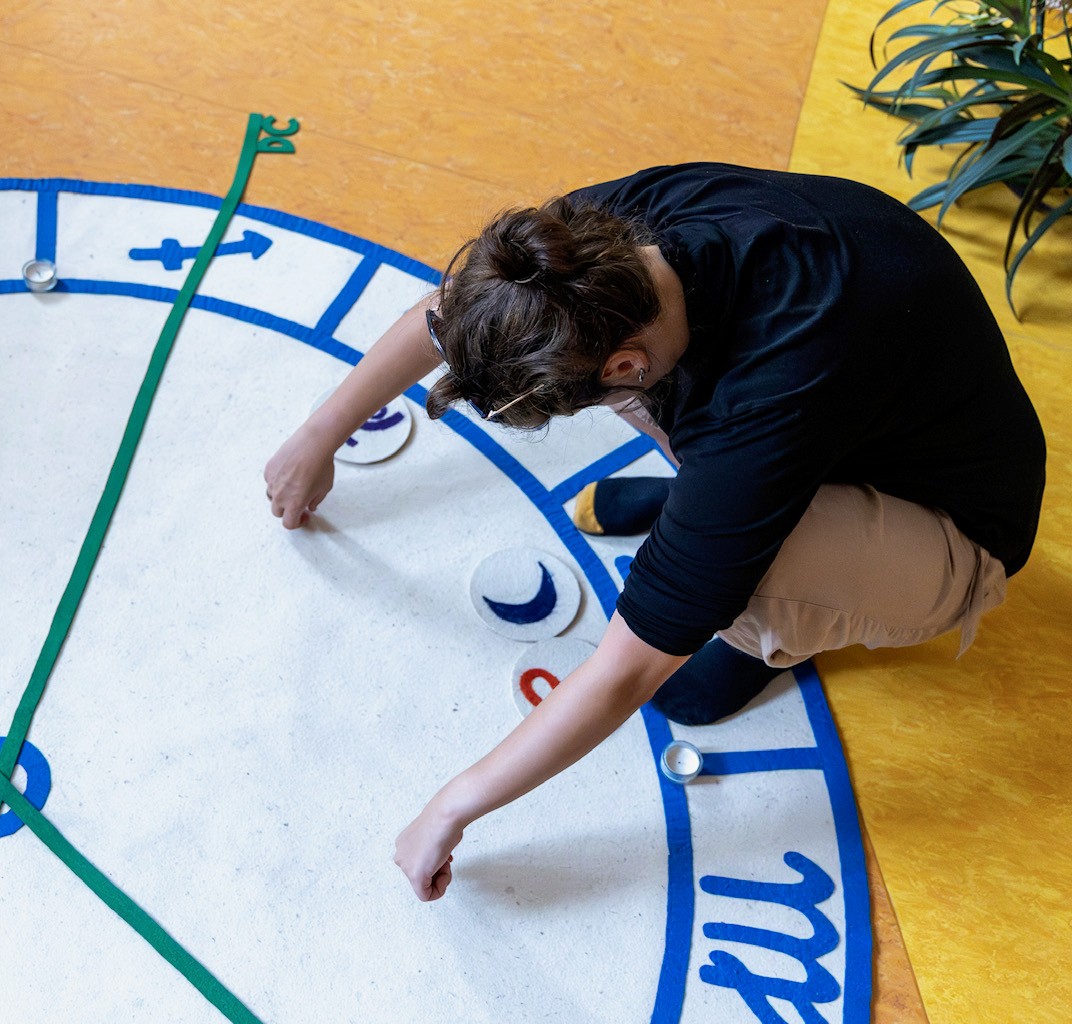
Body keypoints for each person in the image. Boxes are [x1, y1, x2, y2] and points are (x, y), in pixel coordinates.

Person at [263, 162, 1045, 903]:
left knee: (741, 580)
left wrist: (451, 806)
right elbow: (458, 313)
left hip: (954, 532)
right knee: (666, 438)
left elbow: (626, 670)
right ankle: (715, 517)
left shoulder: (762, 404)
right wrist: (318, 435)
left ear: (625, 366)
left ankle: (749, 594)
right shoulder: (599, 246)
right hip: (844, 413)